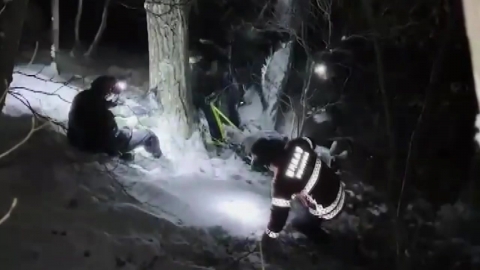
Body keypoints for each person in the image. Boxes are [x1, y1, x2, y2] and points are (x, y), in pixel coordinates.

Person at [248, 136, 346, 249]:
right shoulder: (297, 144)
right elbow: (311, 141)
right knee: (298, 192)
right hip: (338, 187)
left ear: (267, 163)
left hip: (331, 207)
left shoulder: (281, 182)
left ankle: (326, 242)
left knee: (298, 222)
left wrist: (268, 237)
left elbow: (279, 217)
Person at [67, 75, 162, 160]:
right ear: (108, 90)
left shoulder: (82, 96)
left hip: (77, 141)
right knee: (148, 135)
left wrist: (109, 103)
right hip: (97, 146)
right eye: (112, 87)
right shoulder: (103, 113)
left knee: (125, 129)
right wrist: (117, 153)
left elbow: (94, 106)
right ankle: (158, 158)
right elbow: (106, 134)